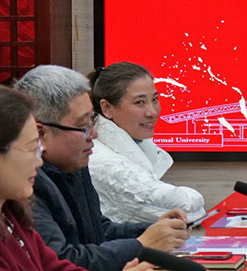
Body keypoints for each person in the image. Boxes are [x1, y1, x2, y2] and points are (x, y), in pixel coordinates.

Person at [14, 66, 189, 271]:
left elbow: (98, 231)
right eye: (83, 126)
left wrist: (153, 230)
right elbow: (63, 261)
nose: (94, 134)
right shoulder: (26, 185)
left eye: (93, 121)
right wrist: (141, 244)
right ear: (40, 134)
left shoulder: (75, 163)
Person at [0, 86, 156, 271]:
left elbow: (56, 267)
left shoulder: (12, 215)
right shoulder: (29, 196)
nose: (38, 161)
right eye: (32, 148)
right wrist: (141, 243)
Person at [87, 63, 206, 222]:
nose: (152, 112)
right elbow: (186, 211)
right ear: (107, 108)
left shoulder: (128, 147)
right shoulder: (107, 164)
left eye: (155, 99)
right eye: (140, 102)